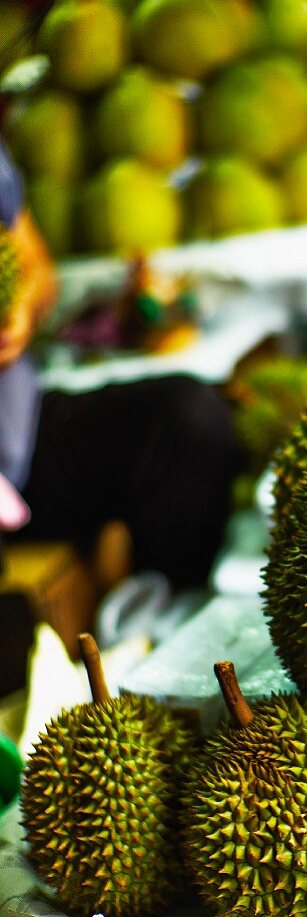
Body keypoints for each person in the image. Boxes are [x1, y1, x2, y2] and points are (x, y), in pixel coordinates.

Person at [0, 140, 236, 586]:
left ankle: (159, 622)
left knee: (189, 419)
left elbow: (36, 269)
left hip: (20, 437)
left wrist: (19, 310)